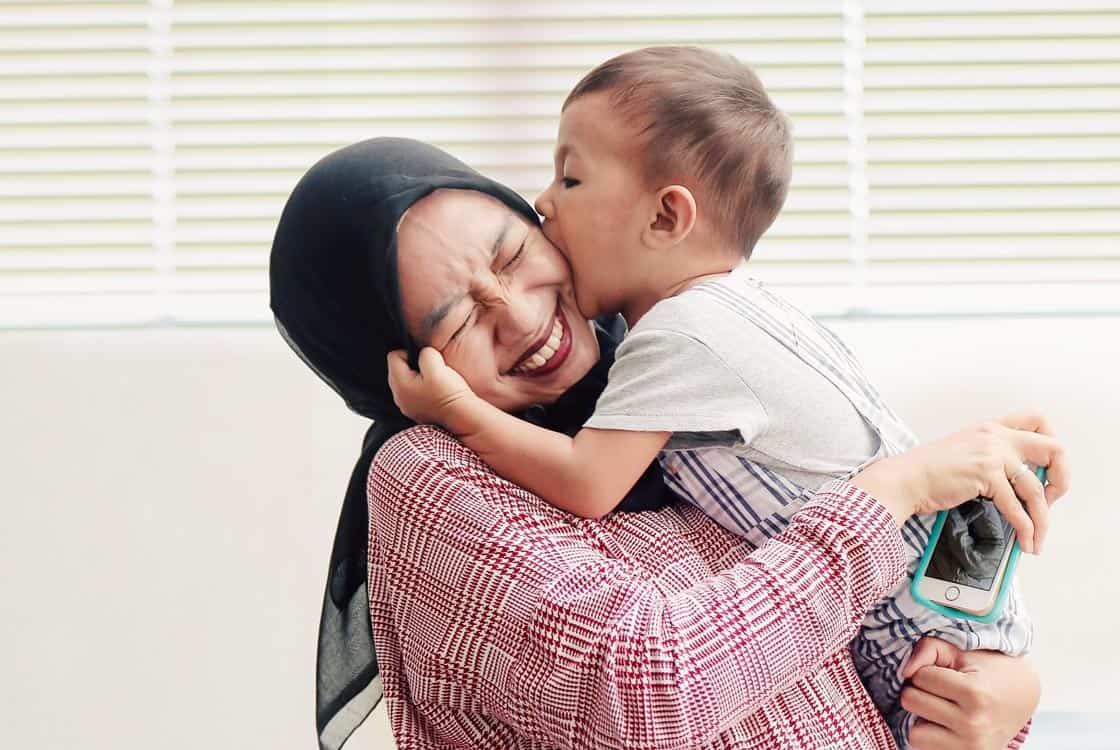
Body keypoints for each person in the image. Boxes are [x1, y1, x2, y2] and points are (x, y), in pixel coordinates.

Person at [269, 137, 1068, 750]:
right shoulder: (429, 476)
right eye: (459, 323)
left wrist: (999, 694)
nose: (518, 316)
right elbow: (648, 687)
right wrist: (888, 493)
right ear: (400, 368)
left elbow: (834, 631)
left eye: (514, 254)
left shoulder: (660, 372)